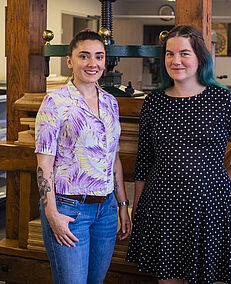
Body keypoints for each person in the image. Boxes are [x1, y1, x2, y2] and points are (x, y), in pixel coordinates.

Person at [126, 25, 231, 284]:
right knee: (167, 279)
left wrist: (223, 179)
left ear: (200, 57)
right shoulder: (154, 102)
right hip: (162, 205)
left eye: (184, 53)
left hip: (207, 207)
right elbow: (144, 160)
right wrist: (138, 208)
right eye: (169, 54)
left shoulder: (222, 99)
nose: (175, 60)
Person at [35, 29, 131, 284]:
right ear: (69, 61)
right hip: (69, 209)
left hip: (107, 210)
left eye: (99, 57)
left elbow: (114, 157)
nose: (93, 64)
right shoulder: (54, 102)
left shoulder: (111, 102)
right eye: (84, 56)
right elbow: (43, 163)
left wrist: (123, 206)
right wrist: (52, 213)